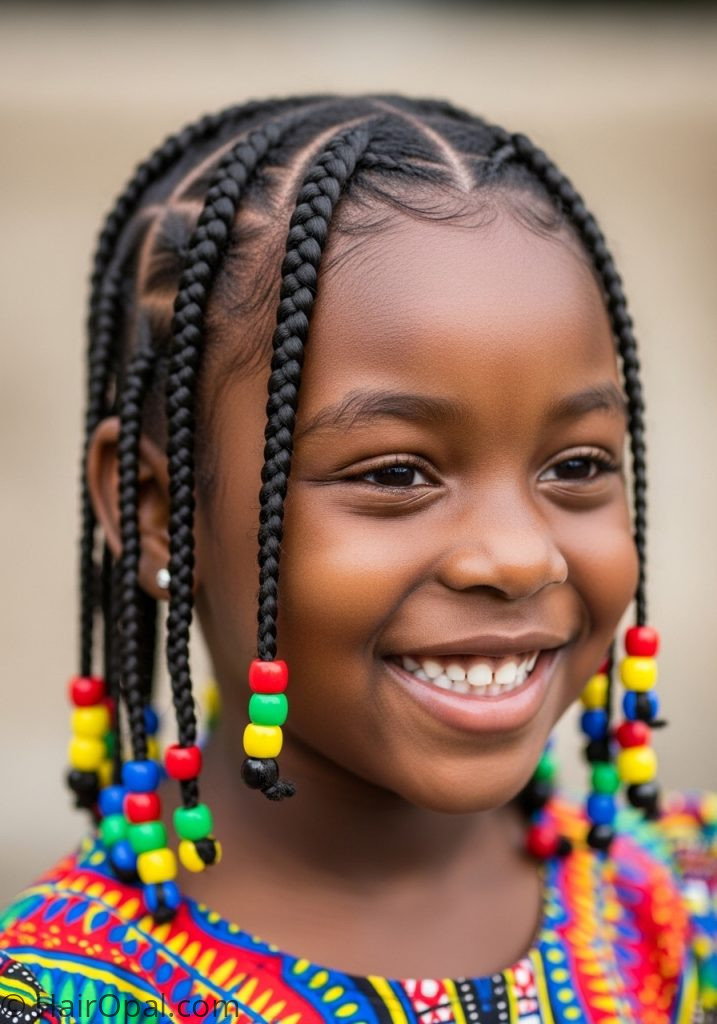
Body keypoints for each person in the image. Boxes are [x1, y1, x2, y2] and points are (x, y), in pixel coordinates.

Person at [0, 94, 714, 1024]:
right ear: (160, 511)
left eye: (576, 465)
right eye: (396, 474)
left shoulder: (680, 913)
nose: (517, 555)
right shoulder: (60, 998)